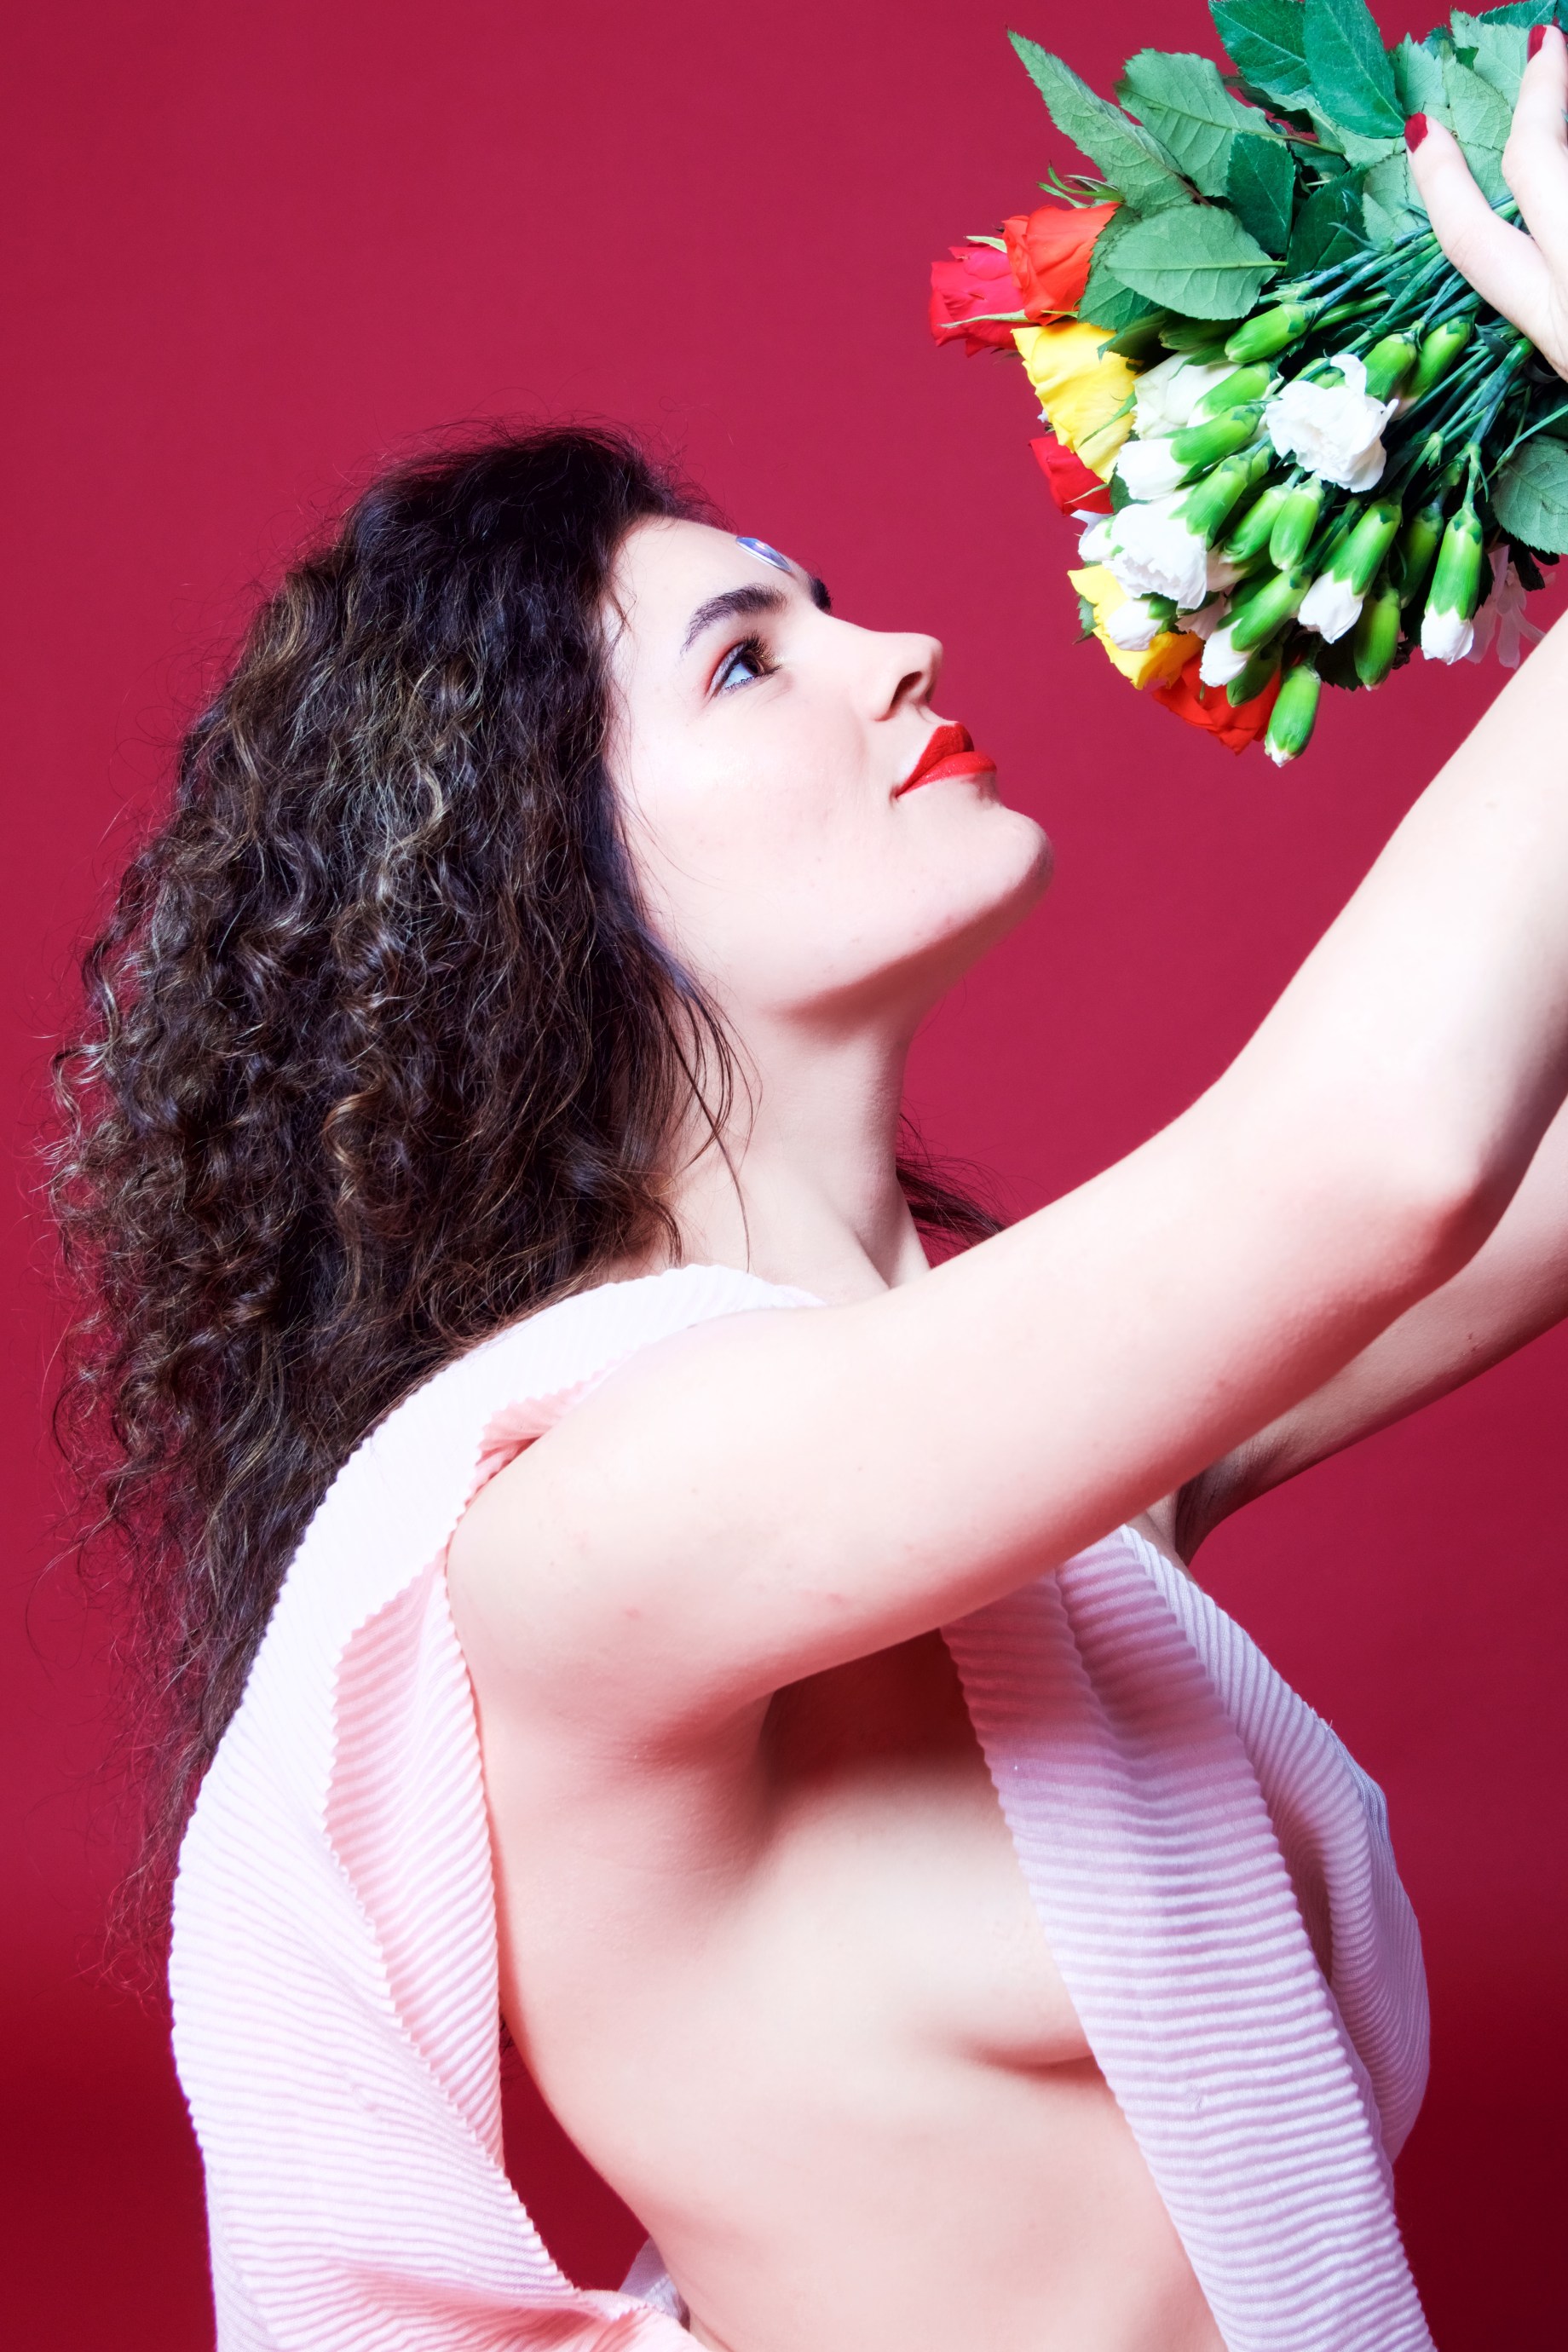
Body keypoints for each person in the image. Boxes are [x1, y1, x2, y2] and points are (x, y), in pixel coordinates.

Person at [51, 37, 1568, 2352]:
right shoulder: (587, 1528)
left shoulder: (1035, 1482)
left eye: (819, 601)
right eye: (750, 658)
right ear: (538, 896)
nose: (900, 651)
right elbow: (1372, 1157)